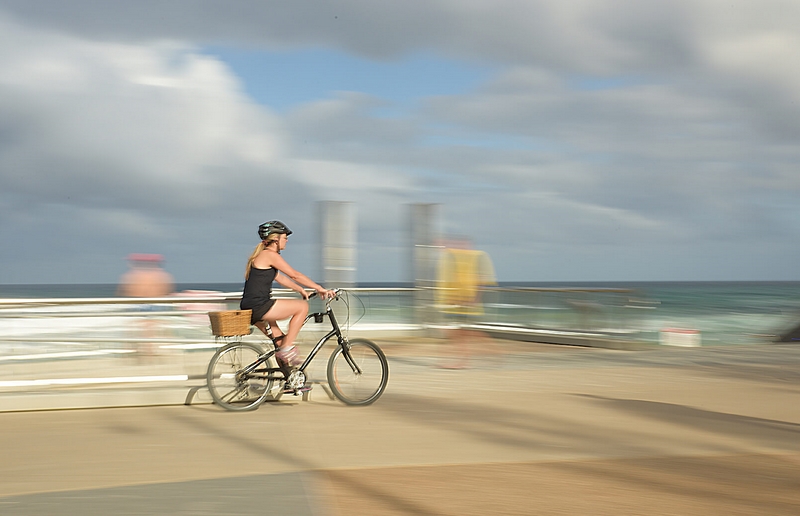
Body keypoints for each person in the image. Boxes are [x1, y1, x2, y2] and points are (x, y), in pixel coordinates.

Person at [240, 220, 334, 374]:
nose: (287, 240)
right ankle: (287, 348)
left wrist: (301, 290)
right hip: (259, 306)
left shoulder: (263, 257)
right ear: (276, 239)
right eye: (285, 237)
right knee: (302, 307)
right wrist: (320, 288)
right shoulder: (269, 255)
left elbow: (281, 278)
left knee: (279, 342)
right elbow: (294, 274)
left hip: (250, 306)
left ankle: (289, 379)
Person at [435, 238, 497, 368]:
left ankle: (486, 348)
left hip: (468, 305)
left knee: (460, 334)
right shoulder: (461, 265)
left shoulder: (473, 261)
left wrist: (474, 300)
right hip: (460, 304)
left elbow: (480, 283)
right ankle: (464, 359)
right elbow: (459, 285)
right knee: (459, 334)